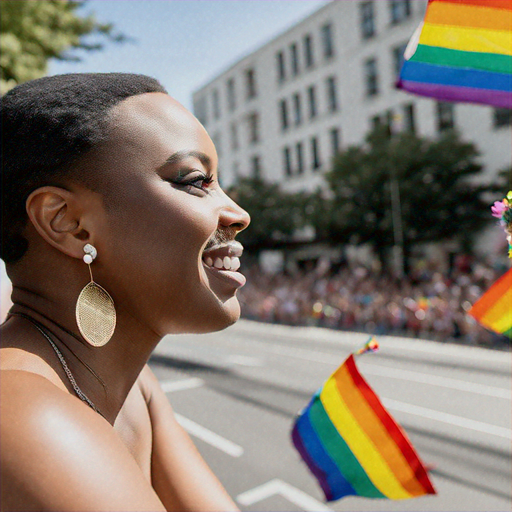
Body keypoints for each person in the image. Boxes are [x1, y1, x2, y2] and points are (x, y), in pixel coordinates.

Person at [0, 73, 250, 511]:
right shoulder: (23, 415)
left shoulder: (136, 389)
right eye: (196, 180)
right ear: (68, 223)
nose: (237, 213)